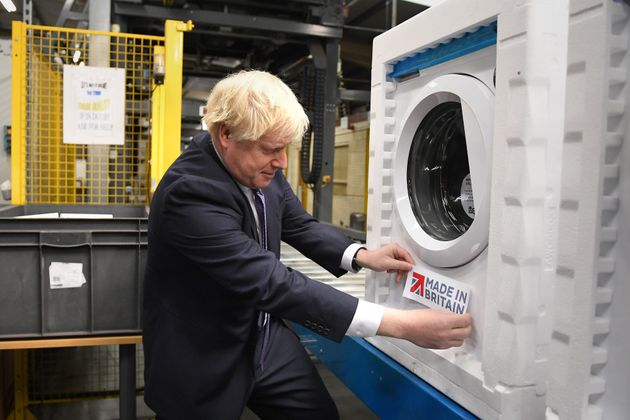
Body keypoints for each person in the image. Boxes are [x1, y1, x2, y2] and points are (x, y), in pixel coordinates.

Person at [143, 70, 472, 420]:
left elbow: (297, 222)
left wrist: (360, 255)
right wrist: (401, 325)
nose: (283, 162)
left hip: (264, 336)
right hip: (203, 350)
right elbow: (271, 281)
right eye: (272, 150)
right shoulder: (189, 193)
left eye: (285, 148)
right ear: (226, 134)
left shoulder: (255, 162)